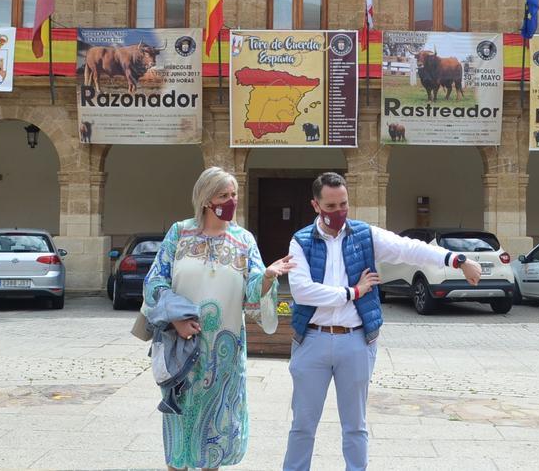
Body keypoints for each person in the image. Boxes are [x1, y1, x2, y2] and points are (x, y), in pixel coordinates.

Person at [282, 172, 482, 471]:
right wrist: (353, 292)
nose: (339, 212)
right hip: (313, 340)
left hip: (355, 341)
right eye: (331, 206)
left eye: (343, 204)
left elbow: (410, 248)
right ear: (315, 205)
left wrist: (457, 260)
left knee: (355, 426)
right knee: (302, 426)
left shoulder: (365, 235)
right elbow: (302, 290)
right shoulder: (301, 241)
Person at [142, 166, 296, 471]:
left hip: (223, 355)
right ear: (205, 199)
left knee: (217, 428)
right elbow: (155, 282)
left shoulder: (243, 240)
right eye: (223, 195)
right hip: (180, 350)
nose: (231, 200)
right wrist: (176, 320)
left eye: (234, 194)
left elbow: (253, 291)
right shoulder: (179, 233)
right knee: (179, 426)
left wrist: (267, 276)